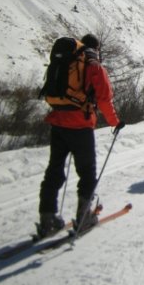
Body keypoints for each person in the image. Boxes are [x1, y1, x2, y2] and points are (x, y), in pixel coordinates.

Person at [37, 33, 124, 237]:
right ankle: (84, 218)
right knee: (87, 172)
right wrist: (115, 122)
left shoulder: (68, 60)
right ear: (97, 48)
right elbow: (104, 98)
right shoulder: (93, 64)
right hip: (80, 125)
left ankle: (47, 218)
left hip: (58, 122)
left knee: (54, 170)